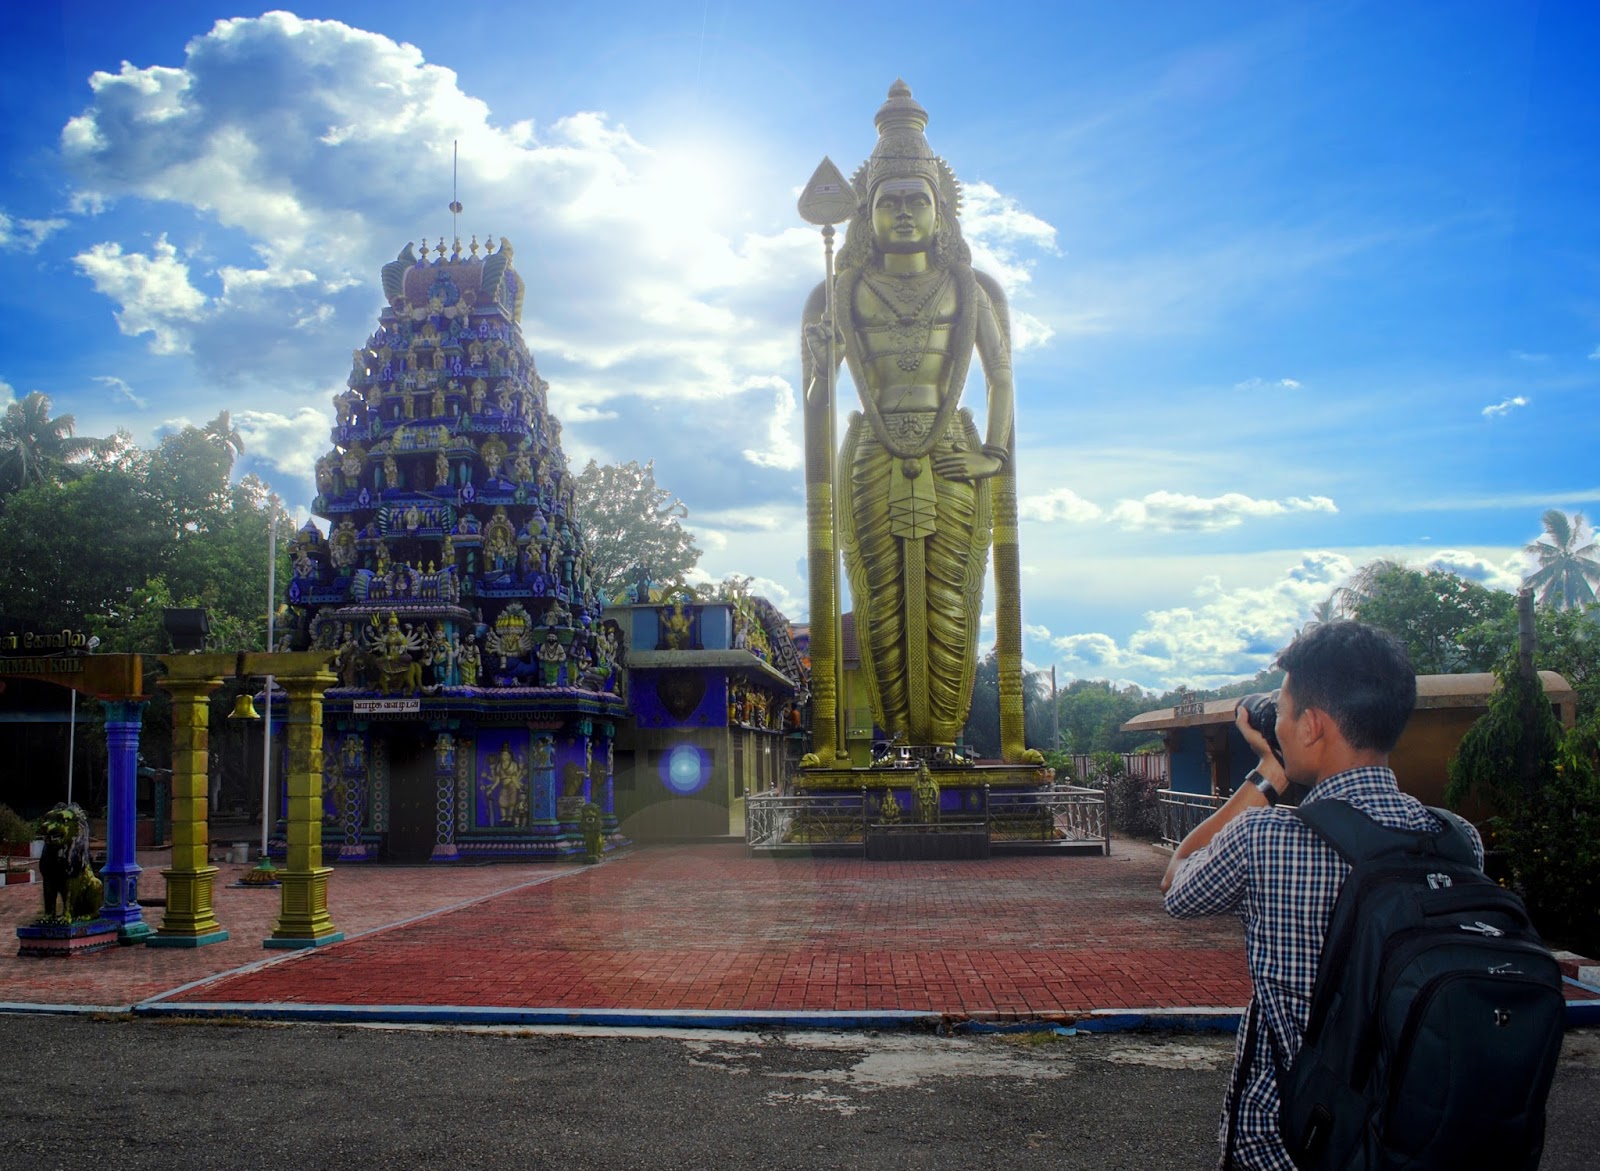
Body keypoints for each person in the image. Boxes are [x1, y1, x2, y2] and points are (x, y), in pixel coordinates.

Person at [1162, 620, 1481, 1170]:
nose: (1277, 727)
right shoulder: (1456, 838)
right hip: (1416, 1132)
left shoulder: (1267, 836)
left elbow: (1177, 881)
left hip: (1289, 1142)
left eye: (1283, 713)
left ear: (1311, 726)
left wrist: (1269, 775)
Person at [802, 80, 1020, 753]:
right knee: (878, 607)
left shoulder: (971, 289)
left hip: (953, 454)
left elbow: (1000, 377)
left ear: (939, 211)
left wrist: (993, 453)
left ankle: (949, 739)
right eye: (888, 201)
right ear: (865, 212)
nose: (901, 214)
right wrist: (820, 359)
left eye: (914, 201)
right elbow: (819, 403)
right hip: (870, 454)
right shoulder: (840, 289)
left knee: (953, 602)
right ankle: (897, 741)